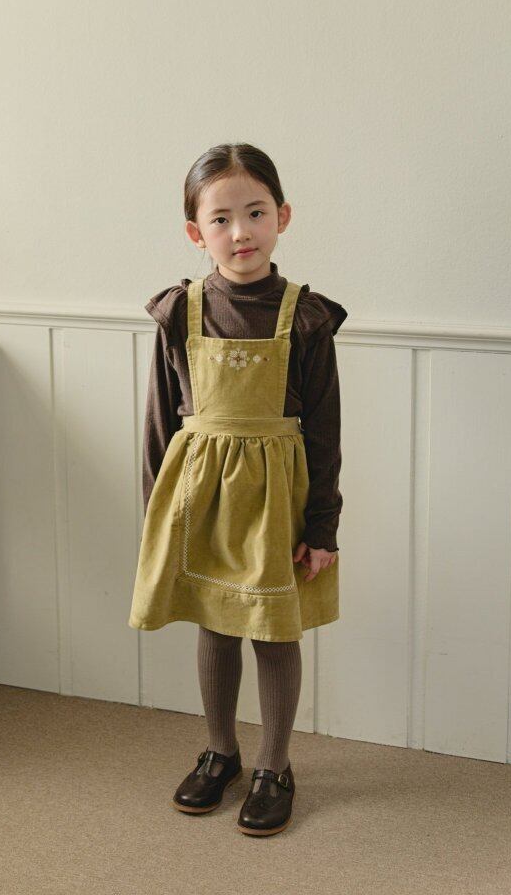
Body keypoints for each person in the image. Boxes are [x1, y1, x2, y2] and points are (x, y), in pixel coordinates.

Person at [128, 142, 347, 836]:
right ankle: (220, 751)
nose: (240, 232)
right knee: (216, 624)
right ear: (196, 232)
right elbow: (161, 421)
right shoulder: (180, 311)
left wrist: (322, 527)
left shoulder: (306, 317)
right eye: (220, 219)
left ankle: (274, 765)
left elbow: (325, 430)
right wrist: (156, 514)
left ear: (283, 216)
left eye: (256, 213)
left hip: (276, 501)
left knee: (273, 633)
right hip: (201, 498)